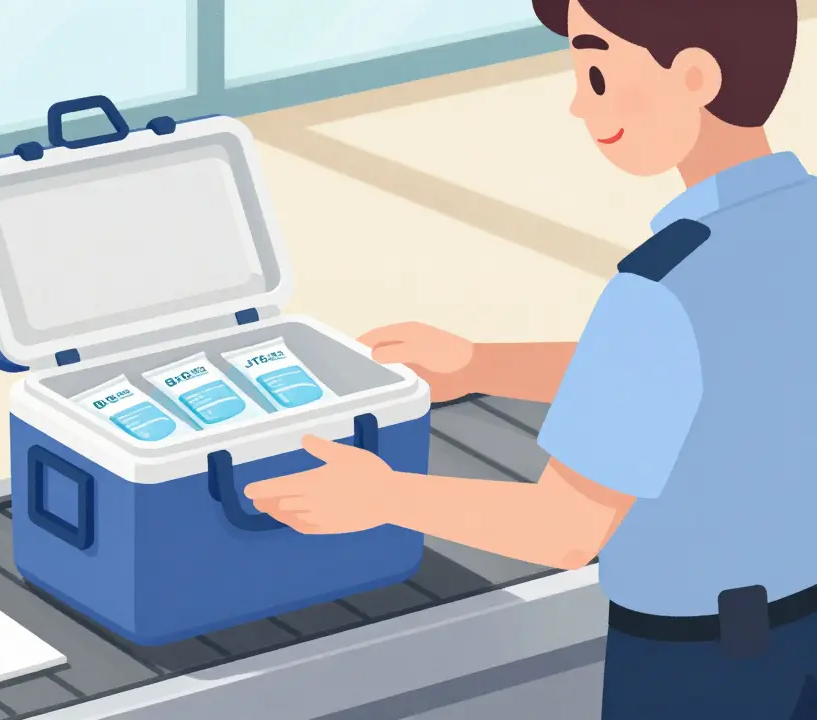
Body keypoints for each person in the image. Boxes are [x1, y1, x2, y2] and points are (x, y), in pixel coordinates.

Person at [243, 0, 817, 717]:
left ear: (696, 75)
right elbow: (697, 372)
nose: (580, 104)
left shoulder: (663, 284)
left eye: (598, 71)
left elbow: (565, 529)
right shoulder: (797, 220)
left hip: (699, 659)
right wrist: (483, 364)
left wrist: (381, 496)